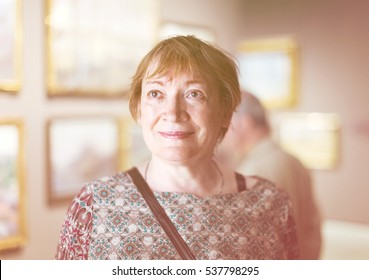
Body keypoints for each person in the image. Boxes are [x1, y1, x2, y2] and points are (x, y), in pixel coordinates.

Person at [55, 36, 298, 260]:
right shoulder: (95, 205)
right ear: (139, 109)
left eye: (194, 94)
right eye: (156, 93)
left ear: (225, 112)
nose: (172, 112)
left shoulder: (269, 204)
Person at [218, 92, 322, 259]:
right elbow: (313, 229)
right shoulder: (294, 161)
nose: (221, 132)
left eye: (225, 122)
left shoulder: (251, 172)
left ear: (244, 123)